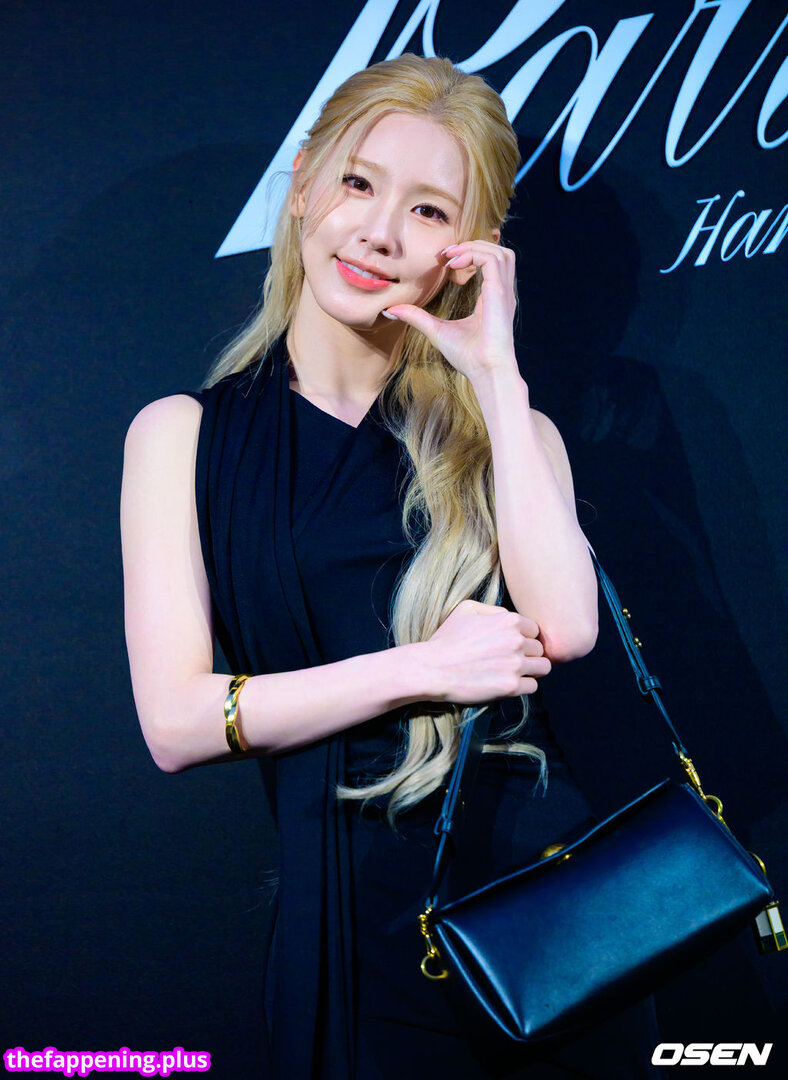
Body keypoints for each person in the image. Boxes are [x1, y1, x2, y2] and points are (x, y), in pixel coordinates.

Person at [120, 53, 664, 1080]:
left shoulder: (511, 429)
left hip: (537, 924)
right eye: (358, 183)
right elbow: (175, 724)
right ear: (302, 187)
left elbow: (568, 626)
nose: (377, 232)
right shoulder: (180, 437)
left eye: (426, 210)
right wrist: (424, 669)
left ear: (466, 250)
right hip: (347, 929)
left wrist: (495, 374)